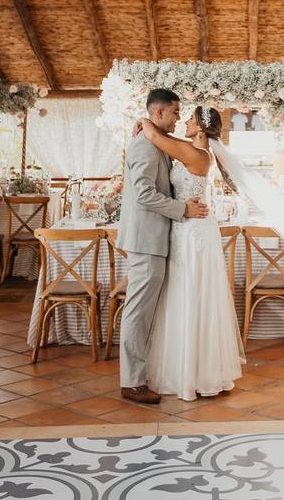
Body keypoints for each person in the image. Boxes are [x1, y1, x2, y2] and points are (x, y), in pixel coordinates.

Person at [133, 105, 245, 401]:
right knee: (181, 294)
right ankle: (183, 369)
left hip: (193, 231)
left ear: (200, 128)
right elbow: (163, 140)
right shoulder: (192, 149)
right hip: (186, 227)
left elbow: (156, 138)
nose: (184, 120)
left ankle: (194, 373)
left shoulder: (197, 155)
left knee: (192, 295)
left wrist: (145, 120)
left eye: (190, 119)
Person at [117, 89, 210, 404]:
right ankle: (132, 382)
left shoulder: (155, 140)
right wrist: (182, 209)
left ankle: (141, 375)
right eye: (174, 112)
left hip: (155, 237)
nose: (178, 118)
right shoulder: (145, 146)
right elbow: (143, 194)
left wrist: (146, 123)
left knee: (144, 312)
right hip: (146, 238)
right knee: (138, 312)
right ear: (159, 113)